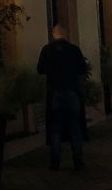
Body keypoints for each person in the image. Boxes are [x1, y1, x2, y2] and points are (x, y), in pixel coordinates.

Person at [36, 23, 88, 171]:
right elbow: (82, 70)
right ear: (66, 34)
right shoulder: (74, 50)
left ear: (53, 34)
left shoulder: (47, 50)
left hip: (55, 93)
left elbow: (40, 69)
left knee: (55, 128)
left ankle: (55, 161)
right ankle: (77, 160)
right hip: (72, 91)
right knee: (74, 127)